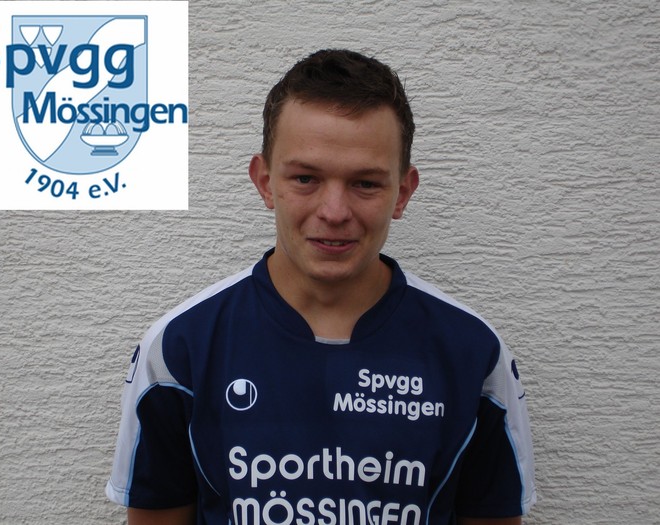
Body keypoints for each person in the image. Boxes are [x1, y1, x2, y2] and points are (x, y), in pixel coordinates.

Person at [106, 49, 536, 525]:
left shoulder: (472, 352)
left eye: (365, 183)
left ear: (403, 192)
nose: (334, 212)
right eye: (306, 178)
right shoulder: (179, 348)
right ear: (265, 182)